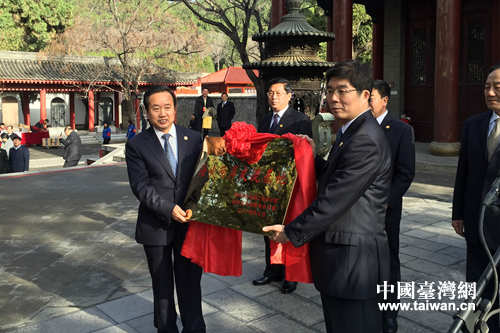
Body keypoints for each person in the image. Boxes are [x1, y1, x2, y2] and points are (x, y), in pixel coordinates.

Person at [264, 61, 392, 333]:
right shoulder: (350, 131)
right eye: (330, 91)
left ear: (365, 95)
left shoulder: (365, 139)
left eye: (343, 91)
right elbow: (336, 177)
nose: (334, 98)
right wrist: (311, 157)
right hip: (341, 261)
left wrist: (290, 231)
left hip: (354, 264)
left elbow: (333, 201)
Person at [125, 86, 205, 333]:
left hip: (189, 225)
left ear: (175, 109)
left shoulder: (193, 139)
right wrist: (168, 208)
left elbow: (202, 178)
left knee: (190, 284)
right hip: (156, 226)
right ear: (147, 112)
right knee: (162, 287)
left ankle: (194, 329)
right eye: (156, 108)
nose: (162, 113)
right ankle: (166, 328)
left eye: (167, 107)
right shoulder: (137, 144)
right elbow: (141, 187)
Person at [252, 77, 312, 294]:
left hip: (289, 185)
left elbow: (305, 154)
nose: (274, 96)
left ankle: (290, 273)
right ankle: (272, 270)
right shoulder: (265, 119)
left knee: (288, 228)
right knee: (268, 227)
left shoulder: (301, 120)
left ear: (289, 95)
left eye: (278, 93)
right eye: (270, 92)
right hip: (268, 183)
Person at [452, 64, 500, 333]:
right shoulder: (473, 125)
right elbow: (463, 174)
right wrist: (457, 213)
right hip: (475, 221)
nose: (490, 92)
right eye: (486, 86)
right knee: (476, 282)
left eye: (497, 87)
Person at [370, 80, 415, 333]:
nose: (368, 102)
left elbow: (406, 173)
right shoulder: (358, 127)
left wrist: (385, 200)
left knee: (388, 262)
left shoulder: (399, 130)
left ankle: (389, 314)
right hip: (359, 210)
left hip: (385, 210)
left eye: (372, 97)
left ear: (385, 100)